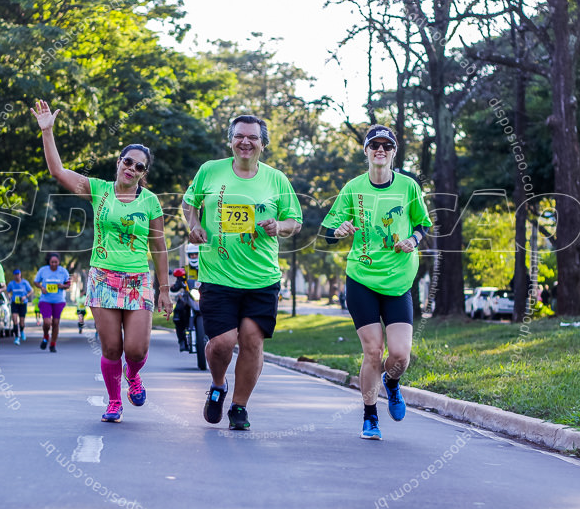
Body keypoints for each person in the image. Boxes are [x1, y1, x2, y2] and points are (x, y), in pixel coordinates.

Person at [33, 99, 172, 423]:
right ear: (119, 162)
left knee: (135, 350)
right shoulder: (99, 190)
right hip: (103, 279)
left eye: (139, 166)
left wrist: (163, 288)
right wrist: (47, 132)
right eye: (128, 161)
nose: (132, 169)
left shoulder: (151, 202)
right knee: (111, 348)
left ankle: (133, 376)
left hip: (138, 280)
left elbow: (159, 246)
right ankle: (113, 402)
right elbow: (57, 170)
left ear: (144, 173)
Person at [182, 114, 302, 431]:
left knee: (252, 342)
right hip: (217, 276)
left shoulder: (276, 180)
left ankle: (239, 407)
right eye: (239, 136)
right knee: (221, 342)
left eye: (252, 137)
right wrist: (193, 224)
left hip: (261, 279)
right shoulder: (210, 171)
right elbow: (188, 203)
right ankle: (218, 384)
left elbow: (295, 222)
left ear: (263, 143)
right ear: (231, 140)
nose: (245, 142)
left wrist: (279, 226)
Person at [321, 125, 431, 441]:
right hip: (362, 280)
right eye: (374, 145)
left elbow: (423, 223)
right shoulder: (353, 188)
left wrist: (413, 238)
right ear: (366, 151)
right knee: (373, 351)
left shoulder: (408, 187)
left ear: (394, 152)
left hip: (398, 283)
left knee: (400, 357)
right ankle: (370, 416)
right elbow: (327, 231)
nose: (380, 150)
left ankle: (392, 382)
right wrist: (338, 231)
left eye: (386, 145)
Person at [33, 253, 71, 353]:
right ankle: (46, 336)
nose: (54, 264)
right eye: (52, 262)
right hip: (45, 300)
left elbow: (68, 284)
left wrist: (62, 286)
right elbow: (36, 282)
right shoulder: (43, 270)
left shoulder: (63, 271)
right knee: (47, 322)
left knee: (55, 323)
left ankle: (53, 344)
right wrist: (41, 287)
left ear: (59, 262)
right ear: (49, 262)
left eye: (56, 262)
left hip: (59, 301)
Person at [171, 243, 201, 351]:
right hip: (189, 296)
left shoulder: (206, 267)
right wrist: (175, 286)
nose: (193, 257)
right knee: (178, 313)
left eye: (196, 254)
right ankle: (182, 340)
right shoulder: (185, 270)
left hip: (205, 296)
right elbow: (178, 283)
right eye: (191, 255)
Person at [6, 269, 34, 344]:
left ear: (20, 274)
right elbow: (8, 291)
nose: (17, 276)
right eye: (15, 274)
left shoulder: (25, 283)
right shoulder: (11, 283)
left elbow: (31, 290)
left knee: (22, 321)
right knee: (15, 320)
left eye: (18, 274)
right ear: (14, 275)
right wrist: (9, 296)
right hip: (15, 303)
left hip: (22, 303)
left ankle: (21, 330)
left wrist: (26, 296)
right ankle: (16, 337)